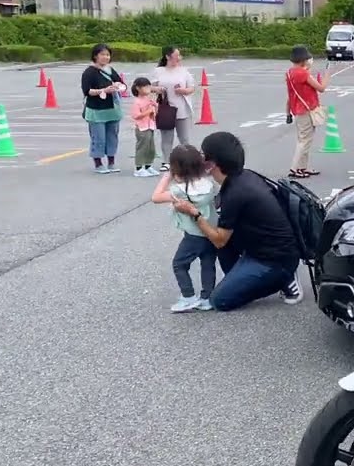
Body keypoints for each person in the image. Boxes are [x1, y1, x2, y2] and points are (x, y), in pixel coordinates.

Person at [170, 131, 304, 311]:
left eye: (203, 155)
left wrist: (194, 213)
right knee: (222, 243)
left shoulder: (236, 193)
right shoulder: (243, 176)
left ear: (212, 164)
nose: (200, 159)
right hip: (259, 247)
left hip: (275, 260)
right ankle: (245, 279)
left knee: (220, 300)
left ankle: (284, 279)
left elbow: (219, 240)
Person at [152, 144, 219, 312]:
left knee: (179, 264)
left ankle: (188, 296)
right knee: (208, 264)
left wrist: (167, 177)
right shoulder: (209, 184)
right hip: (210, 232)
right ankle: (207, 297)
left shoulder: (179, 191)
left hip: (194, 235)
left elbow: (156, 197)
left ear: (176, 169)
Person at [150, 46, 197, 172]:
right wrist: (158, 89)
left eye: (179, 55)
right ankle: (166, 161)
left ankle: (186, 161)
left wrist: (184, 91)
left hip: (182, 108)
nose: (179, 58)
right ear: (168, 57)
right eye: (177, 55)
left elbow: (191, 88)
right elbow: (150, 87)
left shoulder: (184, 71)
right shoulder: (158, 71)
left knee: (184, 138)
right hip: (166, 109)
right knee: (166, 137)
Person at [80, 43, 125, 174]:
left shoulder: (110, 70)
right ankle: (98, 163)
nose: (106, 57)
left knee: (112, 136)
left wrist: (118, 85)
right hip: (96, 110)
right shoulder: (89, 72)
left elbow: (122, 85)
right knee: (98, 137)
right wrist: (103, 90)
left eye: (107, 55)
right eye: (103, 55)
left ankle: (111, 162)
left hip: (112, 109)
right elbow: (87, 91)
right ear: (95, 56)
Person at [286, 45, 329, 179]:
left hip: (297, 110)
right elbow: (321, 88)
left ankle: (303, 167)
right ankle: (295, 168)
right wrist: (327, 75)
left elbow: (290, 95)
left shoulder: (290, 73)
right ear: (303, 59)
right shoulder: (303, 74)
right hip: (306, 110)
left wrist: (287, 112)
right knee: (304, 141)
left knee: (304, 139)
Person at [128, 77, 159, 177]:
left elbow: (154, 112)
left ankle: (148, 165)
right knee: (142, 147)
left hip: (150, 126)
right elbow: (136, 115)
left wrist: (155, 107)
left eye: (149, 86)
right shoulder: (137, 101)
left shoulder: (148, 99)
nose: (148, 89)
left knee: (150, 147)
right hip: (142, 127)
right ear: (138, 88)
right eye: (145, 87)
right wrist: (148, 111)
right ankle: (139, 168)